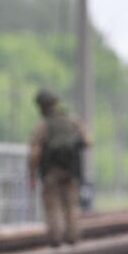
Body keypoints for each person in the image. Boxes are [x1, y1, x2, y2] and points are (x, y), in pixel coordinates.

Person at [28, 89, 90, 246]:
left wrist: (32, 174)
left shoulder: (43, 125)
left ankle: (55, 239)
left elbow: (35, 152)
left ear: (41, 106)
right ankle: (73, 236)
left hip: (51, 172)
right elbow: (88, 141)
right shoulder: (71, 120)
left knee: (53, 205)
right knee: (71, 205)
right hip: (71, 171)